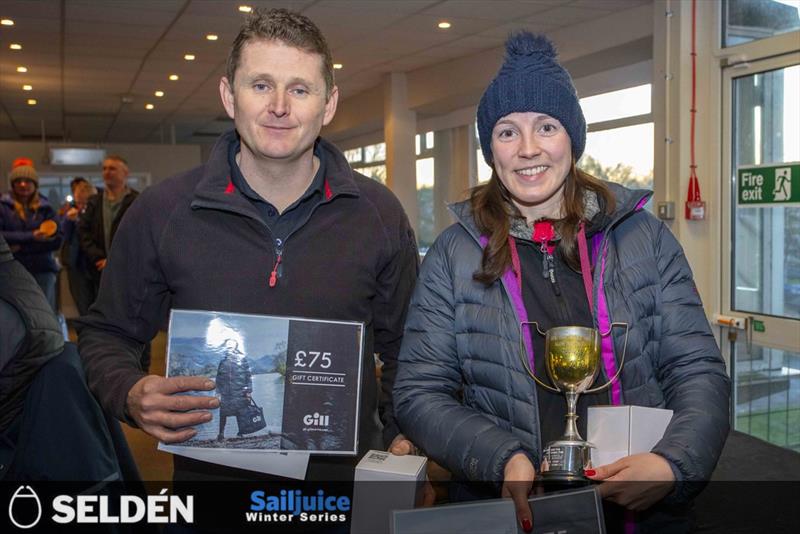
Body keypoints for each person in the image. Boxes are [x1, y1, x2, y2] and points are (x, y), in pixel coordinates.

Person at [393, 32, 730, 532]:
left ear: (571, 136)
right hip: (512, 510)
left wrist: (673, 464)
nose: (528, 150)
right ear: (492, 149)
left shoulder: (643, 239)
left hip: (640, 512)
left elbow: (698, 371)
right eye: (507, 132)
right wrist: (503, 458)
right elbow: (420, 392)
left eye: (546, 127)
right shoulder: (454, 254)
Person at [77, 8, 419, 482]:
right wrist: (130, 391)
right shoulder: (163, 212)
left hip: (341, 499)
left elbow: (410, 349)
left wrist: (405, 438)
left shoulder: (379, 215)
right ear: (228, 95)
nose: (279, 106)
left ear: (329, 103)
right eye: (260, 85)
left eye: (299, 89)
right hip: (208, 500)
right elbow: (105, 334)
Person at [0, 159, 63, 312]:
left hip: (43, 269)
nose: (23, 185)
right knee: (17, 314)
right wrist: (33, 237)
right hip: (12, 270)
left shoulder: (46, 208)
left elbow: (57, 239)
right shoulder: (3, 207)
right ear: (13, 184)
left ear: (35, 184)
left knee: (45, 313)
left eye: (28, 181)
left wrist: (18, 244)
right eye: (18, 181)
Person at [78, 154, 138, 293]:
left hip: (127, 268)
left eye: (112, 169)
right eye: (104, 169)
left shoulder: (137, 201)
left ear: (125, 173)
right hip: (98, 268)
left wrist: (115, 260)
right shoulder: (94, 201)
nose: (107, 172)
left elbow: (139, 236)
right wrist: (99, 257)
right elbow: (83, 231)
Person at [60, 178, 98, 315]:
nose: (81, 207)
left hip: (94, 265)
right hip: (76, 266)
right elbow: (62, 236)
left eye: (85, 203)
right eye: (78, 202)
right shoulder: (71, 214)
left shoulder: (97, 216)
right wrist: (69, 221)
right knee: (82, 306)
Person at [216, 339, 253, 441]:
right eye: (228, 347)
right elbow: (218, 378)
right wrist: (218, 393)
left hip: (239, 392)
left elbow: (248, 376)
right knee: (223, 414)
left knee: (240, 413)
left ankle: (241, 433)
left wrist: (248, 391)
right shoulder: (222, 362)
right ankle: (221, 434)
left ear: (236, 348)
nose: (230, 349)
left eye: (232, 347)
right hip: (225, 393)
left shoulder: (242, 360)